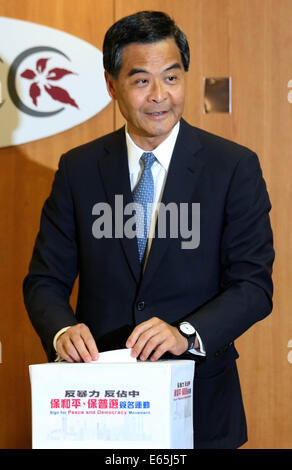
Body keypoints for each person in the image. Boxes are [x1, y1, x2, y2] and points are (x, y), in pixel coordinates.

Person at [23, 11, 274, 449]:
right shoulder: (78, 169)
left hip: (199, 403)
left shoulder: (233, 167)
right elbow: (45, 280)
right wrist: (62, 331)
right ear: (111, 85)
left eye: (172, 78)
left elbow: (253, 286)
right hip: (100, 405)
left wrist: (186, 333)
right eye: (141, 81)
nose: (160, 96)